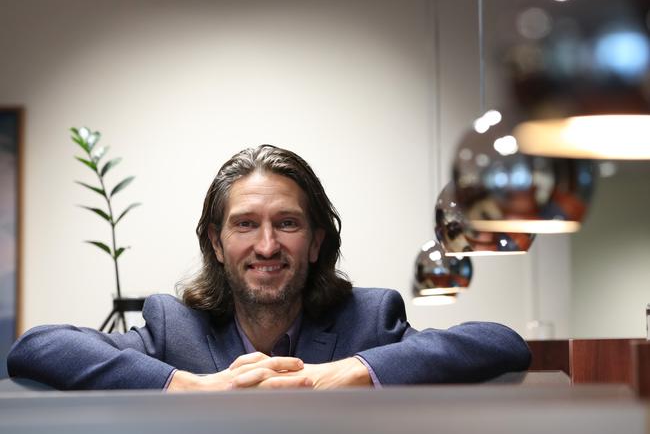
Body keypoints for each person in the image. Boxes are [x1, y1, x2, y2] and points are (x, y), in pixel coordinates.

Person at [7, 145, 530, 391]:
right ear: (215, 242)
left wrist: (358, 370)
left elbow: (501, 342)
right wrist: (187, 387)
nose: (266, 245)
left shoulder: (369, 320)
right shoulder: (175, 329)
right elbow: (36, 347)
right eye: (244, 225)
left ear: (316, 241)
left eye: (287, 223)